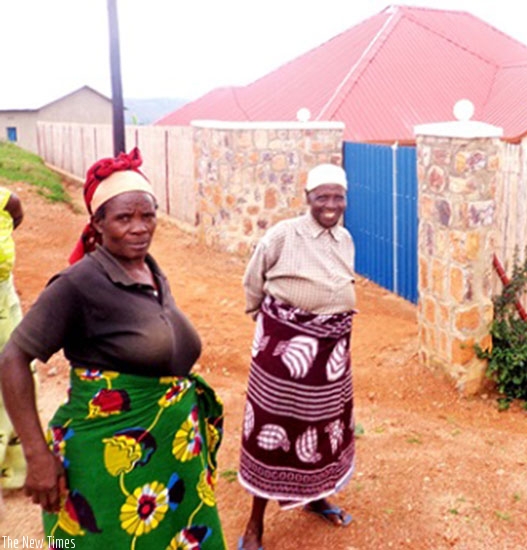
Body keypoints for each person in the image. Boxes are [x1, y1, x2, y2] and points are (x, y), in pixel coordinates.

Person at [0, 148, 226, 549]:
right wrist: (37, 455)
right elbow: (12, 358)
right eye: (124, 218)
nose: (139, 228)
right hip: (108, 458)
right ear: (97, 223)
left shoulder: (150, 269)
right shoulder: (78, 284)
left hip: (171, 454)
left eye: (147, 216)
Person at [238, 163, 356, 550]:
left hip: (331, 354)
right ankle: (255, 526)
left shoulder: (345, 239)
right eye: (322, 196)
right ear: (307, 198)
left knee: (322, 427)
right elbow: (253, 281)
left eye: (338, 196)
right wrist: (274, 328)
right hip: (284, 349)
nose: (330, 204)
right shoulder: (283, 235)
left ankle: (316, 496)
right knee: (274, 426)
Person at [0, 186, 29, 494]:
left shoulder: (6, 200)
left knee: (13, 375)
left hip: (2, 302)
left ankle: (13, 469)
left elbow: (15, 216)